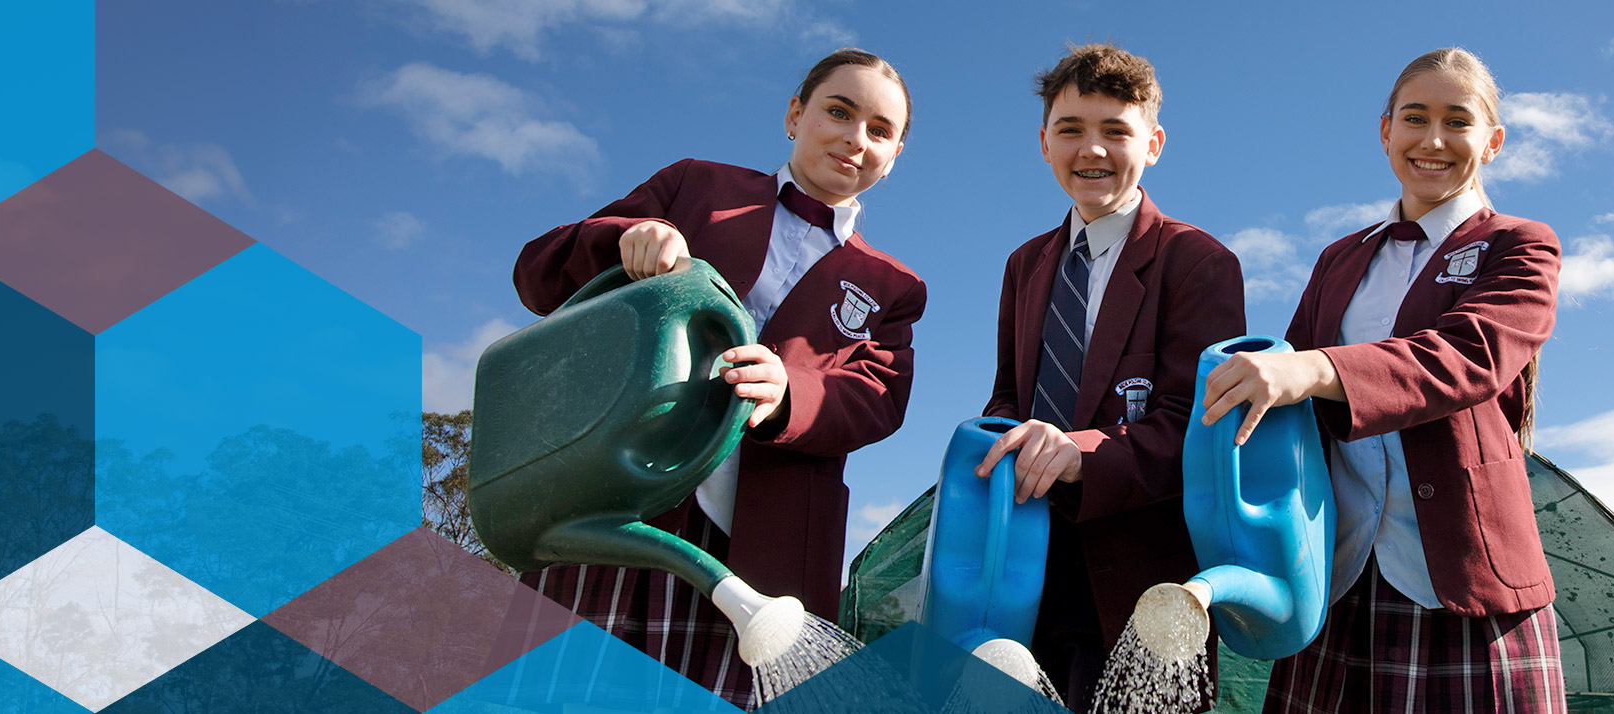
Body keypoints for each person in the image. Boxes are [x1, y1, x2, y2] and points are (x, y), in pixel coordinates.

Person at [510, 49, 926, 709]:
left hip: (760, 543)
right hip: (619, 507)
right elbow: (538, 273)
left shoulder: (895, 286)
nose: (855, 138)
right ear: (795, 116)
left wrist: (791, 390)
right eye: (839, 112)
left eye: (879, 130)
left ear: (896, 152)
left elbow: (880, 397)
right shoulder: (695, 186)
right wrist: (625, 237)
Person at [1199, 47, 1564, 713]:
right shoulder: (1339, 259)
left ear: (1494, 141)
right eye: (1414, 118)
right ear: (1384, 130)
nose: (1432, 140)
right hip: (1337, 576)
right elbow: (1288, 411)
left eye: (1458, 121)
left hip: (1460, 577)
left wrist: (1317, 367)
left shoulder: (1522, 244)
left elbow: (1468, 356)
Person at [974, 42, 1244, 712]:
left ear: (1152, 143)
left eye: (1115, 132)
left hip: (1144, 581)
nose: (1091, 150)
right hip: (1026, 573)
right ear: (1043, 142)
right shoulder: (1024, 264)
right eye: (1071, 130)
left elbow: (1197, 423)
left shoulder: (1198, 260)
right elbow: (1010, 394)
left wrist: (1081, 456)